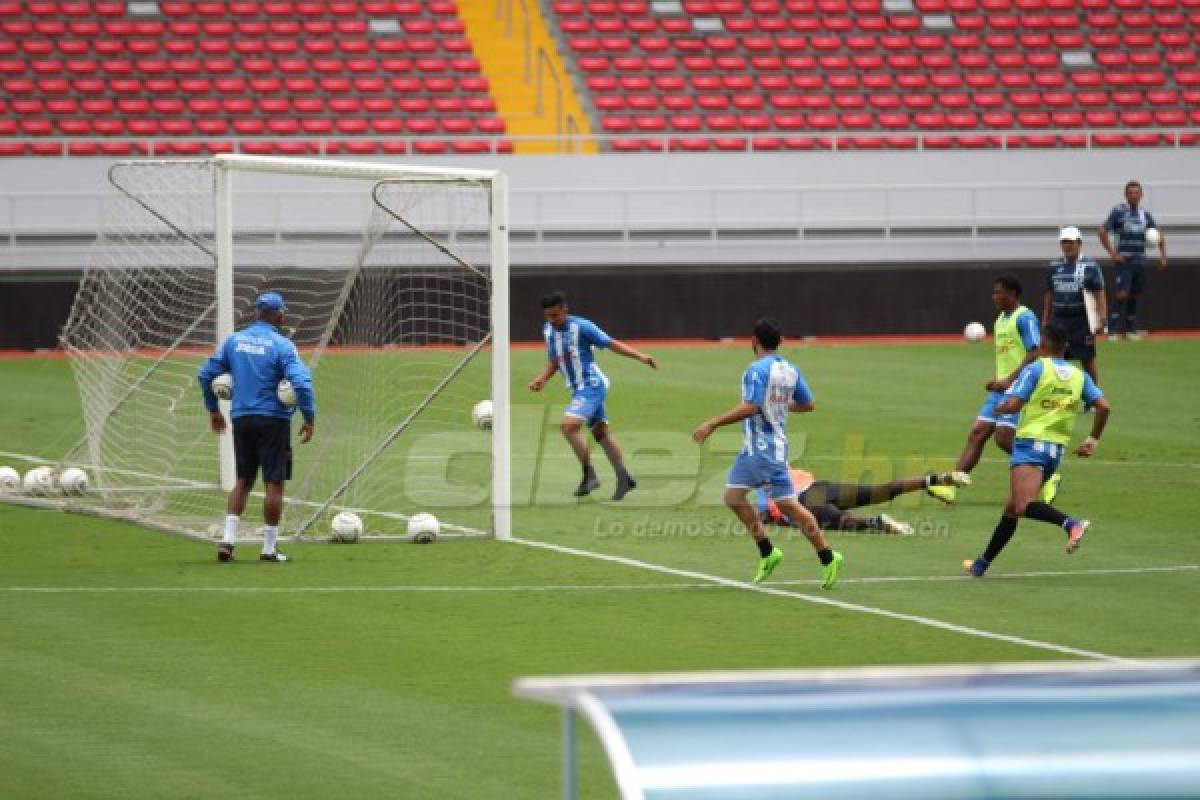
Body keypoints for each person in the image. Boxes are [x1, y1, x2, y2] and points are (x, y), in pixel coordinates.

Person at [692, 318, 843, 588]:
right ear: (780, 342)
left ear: (754, 341)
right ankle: (792, 554)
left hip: (761, 450)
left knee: (782, 505)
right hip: (768, 447)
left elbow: (750, 407)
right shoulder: (791, 369)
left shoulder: (755, 370)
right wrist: (780, 406)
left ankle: (816, 555)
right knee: (740, 498)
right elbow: (808, 404)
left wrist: (711, 423)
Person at [963, 323, 1110, 577]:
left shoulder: (1036, 368)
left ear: (1043, 346)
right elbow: (1104, 407)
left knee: (1022, 505)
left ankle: (1070, 524)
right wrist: (1092, 440)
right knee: (1011, 510)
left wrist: (1000, 407)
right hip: (1055, 451)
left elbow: (1014, 405)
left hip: (1031, 444)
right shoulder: (1079, 376)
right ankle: (981, 565)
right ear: (1065, 347)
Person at [197, 292, 315, 563]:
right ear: (279, 315)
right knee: (274, 483)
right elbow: (302, 383)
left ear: (257, 313)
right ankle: (269, 548)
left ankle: (227, 540)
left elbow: (205, 374)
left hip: (242, 418)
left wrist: (214, 409)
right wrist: (309, 417)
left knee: (243, 480)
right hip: (274, 420)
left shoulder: (234, 341)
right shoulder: (282, 345)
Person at [528, 291, 657, 501]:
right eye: (548, 316)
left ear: (565, 310)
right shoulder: (548, 330)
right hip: (578, 388)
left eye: (555, 316)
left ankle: (590, 475)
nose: (552, 321)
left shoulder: (582, 327)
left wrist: (640, 356)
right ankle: (624, 478)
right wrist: (543, 378)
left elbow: (611, 343)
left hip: (592, 385)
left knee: (568, 426)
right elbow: (555, 358)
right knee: (601, 433)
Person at [928, 275, 1041, 505]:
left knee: (1003, 438)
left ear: (1013, 294)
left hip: (1020, 387)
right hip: (1002, 388)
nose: (994, 297)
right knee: (978, 433)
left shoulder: (1025, 317)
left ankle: (1044, 472)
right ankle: (950, 487)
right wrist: (998, 380)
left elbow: (1035, 352)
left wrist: (1009, 380)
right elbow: (1010, 356)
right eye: (994, 292)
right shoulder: (1000, 320)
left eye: (999, 292)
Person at [757, 467, 971, 535]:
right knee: (879, 491)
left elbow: (764, 515)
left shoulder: (763, 492)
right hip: (817, 488)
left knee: (843, 521)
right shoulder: (781, 465)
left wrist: (767, 520)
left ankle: (877, 523)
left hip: (803, 503)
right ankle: (935, 479)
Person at [1098, 179, 1168, 341]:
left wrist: (1163, 256)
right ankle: (1113, 331)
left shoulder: (1145, 215)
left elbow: (1158, 235)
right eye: (1130, 193)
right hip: (1124, 260)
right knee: (1122, 294)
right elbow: (1102, 231)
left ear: (1141, 195)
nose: (1133, 196)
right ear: (1125, 195)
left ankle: (1129, 330)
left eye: (1136, 193)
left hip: (1140, 260)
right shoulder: (1118, 211)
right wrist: (1113, 254)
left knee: (1134, 295)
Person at [1043, 226, 1106, 386]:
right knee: (1053, 360)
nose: (1067, 246)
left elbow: (1099, 293)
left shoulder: (1091, 266)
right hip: (1058, 321)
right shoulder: (1054, 266)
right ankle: (1057, 395)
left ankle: (1093, 398)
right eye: (1064, 242)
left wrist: (1102, 318)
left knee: (1087, 360)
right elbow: (1049, 293)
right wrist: (1045, 319)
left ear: (1079, 243)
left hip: (1081, 321)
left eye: (1070, 242)